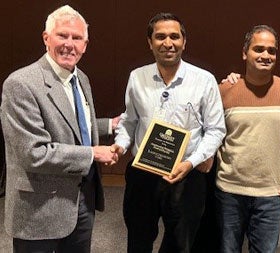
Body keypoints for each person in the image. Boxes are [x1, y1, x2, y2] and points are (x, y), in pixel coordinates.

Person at [1, 5, 118, 253]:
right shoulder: (21, 83)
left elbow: (70, 126)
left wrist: (109, 125)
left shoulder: (80, 78)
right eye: (62, 35)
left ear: (85, 44)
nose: (69, 44)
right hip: (39, 209)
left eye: (77, 38)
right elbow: (33, 152)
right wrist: (93, 154)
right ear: (46, 38)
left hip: (82, 201)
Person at [111, 12, 226, 252]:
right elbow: (130, 120)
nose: (168, 43)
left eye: (174, 36)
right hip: (143, 173)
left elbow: (215, 130)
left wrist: (192, 162)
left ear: (184, 41)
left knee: (180, 244)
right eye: (160, 36)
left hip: (186, 173)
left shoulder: (204, 80)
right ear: (150, 42)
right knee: (138, 240)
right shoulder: (137, 77)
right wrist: (121, 144)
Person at [216, 25, 280, 253]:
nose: (266, 55)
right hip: (230, 191)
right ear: (244, 52)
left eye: (271, 51)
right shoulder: (224, 90)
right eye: (259, 49)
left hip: (271, 193)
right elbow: (212, 135)